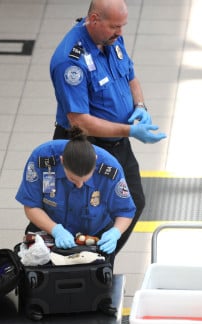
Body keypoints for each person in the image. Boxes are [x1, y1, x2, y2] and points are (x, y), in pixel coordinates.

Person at [49, 0, 166, 262]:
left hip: (117, 144)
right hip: (86, 147)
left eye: (122, 26)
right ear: (93, 20)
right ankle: (87, 263)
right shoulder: (70, 62)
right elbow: (79, 120)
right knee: (86, 213)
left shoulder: (110, 39)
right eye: (115, 26)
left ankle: (100, 259)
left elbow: (131, 76)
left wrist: (140, 106)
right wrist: (130, 131)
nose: (120, 32)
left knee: (133, 201)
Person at [11, 126, 136, 324]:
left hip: (91, 240)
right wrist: (55, 230)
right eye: (71, 179)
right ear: (61, 161)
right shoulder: (43, 159)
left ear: (95, 163)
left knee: (88, 317)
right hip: (47, 231)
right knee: (39, 308)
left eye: (84, 180)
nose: (78, 185)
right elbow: (31, 205)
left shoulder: (109, 169)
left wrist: (116, 233)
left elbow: (126, 211)